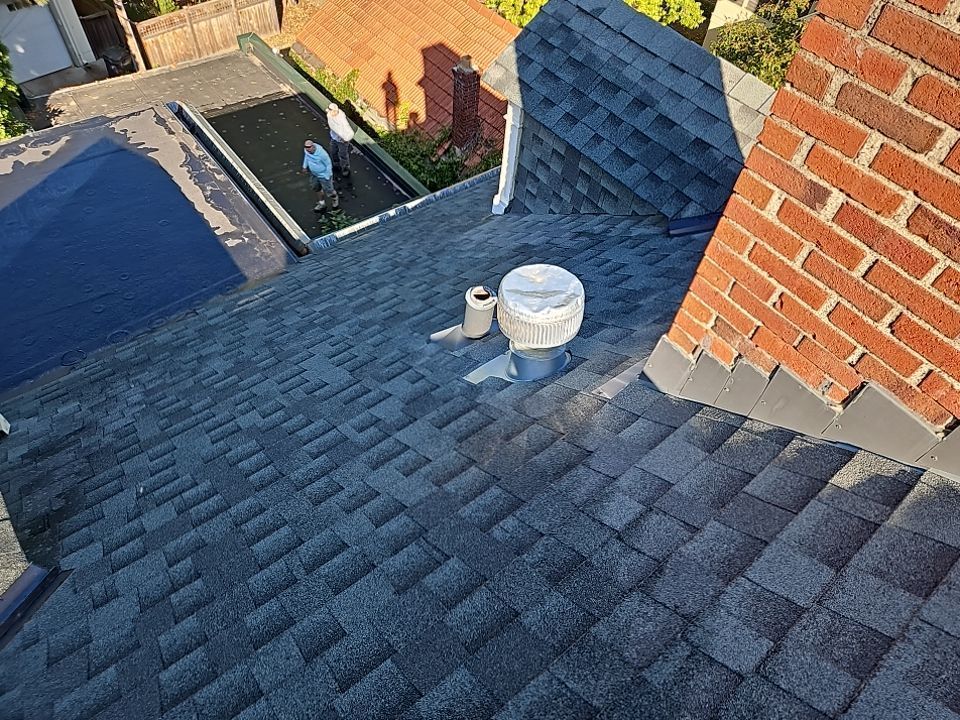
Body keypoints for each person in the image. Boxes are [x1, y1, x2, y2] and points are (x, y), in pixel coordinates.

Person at [301, 138, 338, 211]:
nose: (307, 149)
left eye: (309, 147)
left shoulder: (322, 154)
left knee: (330, 191)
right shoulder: (306, 151)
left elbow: (328, 164)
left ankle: (335, 199)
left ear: (313, 146)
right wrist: (304, 166)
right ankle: (322, 203)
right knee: (316, 188)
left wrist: (327, 176)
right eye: (306, 147)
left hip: (324, 176)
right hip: (314, 174)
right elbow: (306, 157)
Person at [326, 103, 355, 178]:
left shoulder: (342, 119)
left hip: (342, 141)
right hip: (334, 138)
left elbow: (350, 131)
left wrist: (346, 139)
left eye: (332, 111)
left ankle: (346, 169)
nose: (330, 113)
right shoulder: (329, 115)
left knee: (343, 155)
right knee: (333, 151)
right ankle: (336, 165)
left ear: (335, 111)